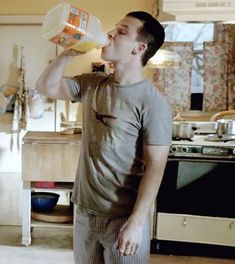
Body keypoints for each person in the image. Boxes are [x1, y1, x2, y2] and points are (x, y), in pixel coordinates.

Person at [36, 11, 172, 264]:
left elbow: (156, 167)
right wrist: (67, 54)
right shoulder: (91, 83)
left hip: (124, 217)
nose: (110, 33)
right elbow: (46, 87)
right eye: (114, 28)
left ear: (139, 48)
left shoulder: (154, 102)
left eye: (121, 32)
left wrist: (136, 222)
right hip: (85, 212)